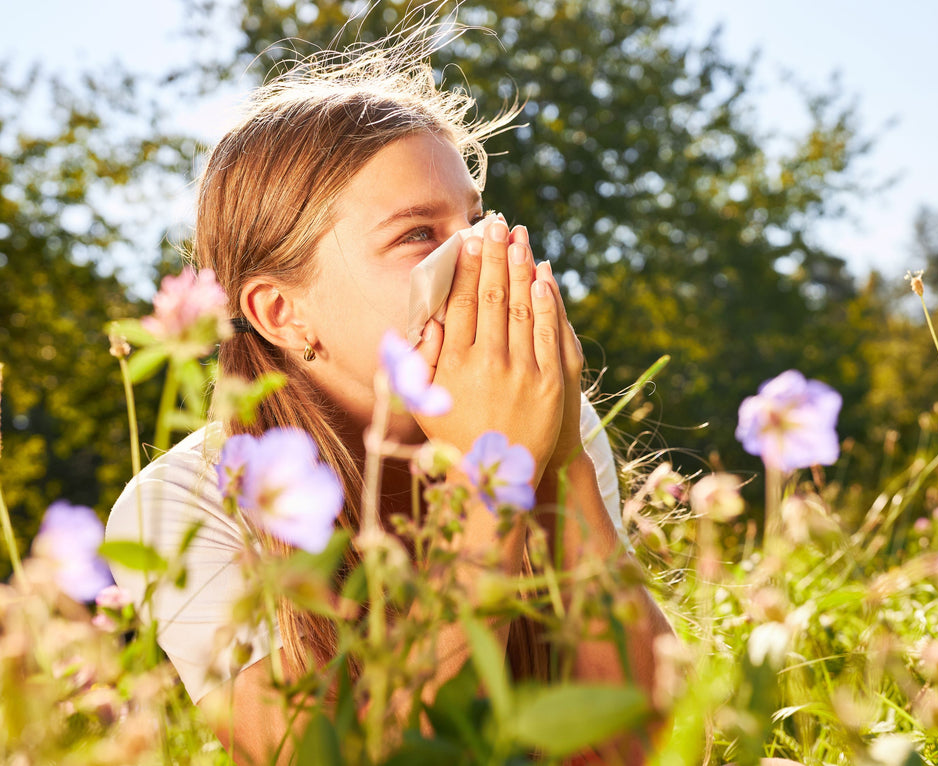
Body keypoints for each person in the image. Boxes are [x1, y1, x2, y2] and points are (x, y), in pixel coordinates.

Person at [106, 27, 673, 766]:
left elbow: (652, 744)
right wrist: (489, 494)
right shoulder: (177, 507)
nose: (476, 256)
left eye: (473, 221)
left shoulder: (534, 413)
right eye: (417, 235)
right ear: (283, 313)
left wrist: (560, 461)